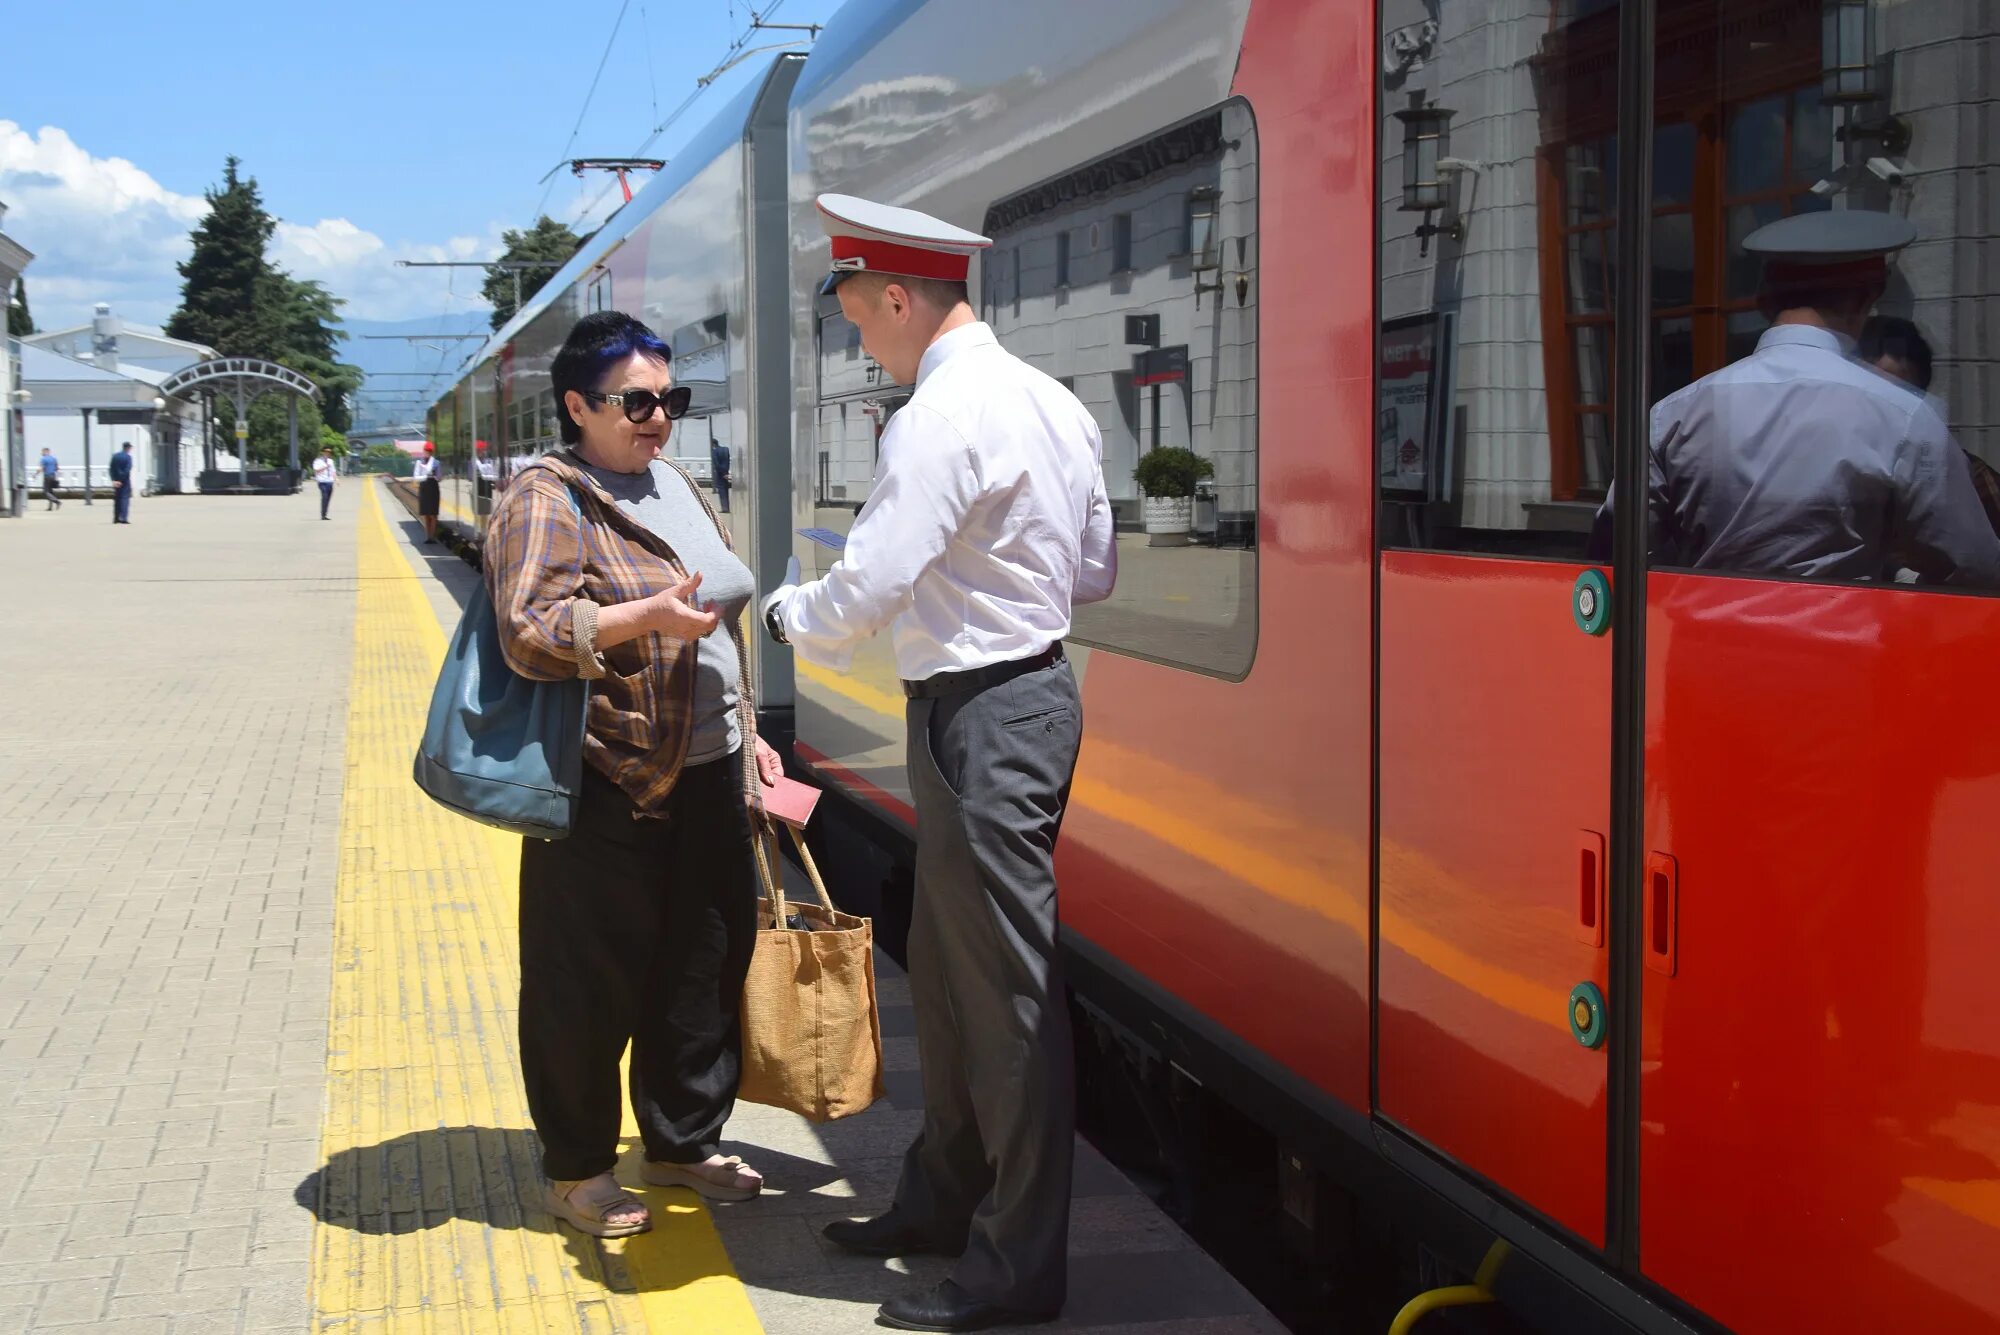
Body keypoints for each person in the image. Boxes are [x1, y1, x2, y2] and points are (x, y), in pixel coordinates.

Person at [760, 194, 1116, 1332]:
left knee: (1004, 995)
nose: (861, 339)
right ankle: (937, 1202)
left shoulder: (937, 415)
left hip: (979, 714)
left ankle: (1017, 1274)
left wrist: (781, 617)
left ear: (903, 300)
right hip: (1025, 698)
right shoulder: (1052, 402)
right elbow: (1094, 570)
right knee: (957, 978)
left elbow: (865, 588)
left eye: (862, 319)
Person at [485, 310, 785, 1239]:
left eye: (671, 400)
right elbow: (529, 629)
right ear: (577, 404)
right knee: (587, 979)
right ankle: (577, 1168)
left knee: (701, 964)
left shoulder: (676, 483)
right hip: (608, 774)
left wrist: (748, 723)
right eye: (637, 402)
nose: (658, 417)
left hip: (711, 763)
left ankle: (679, 1141)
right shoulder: (549, 492)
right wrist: (642, 618)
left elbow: (718, 610)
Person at [1590, 210, 2000, 587]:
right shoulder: (1902, 414)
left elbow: (1619, 549)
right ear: (1866, 299)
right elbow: (1973, 566)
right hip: (1836, 654)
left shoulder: (1673, 413)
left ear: (1764, 301)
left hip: (1702, 649)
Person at [1857, 314, 2000, 538]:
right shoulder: (1829, 471)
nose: (1884, 410)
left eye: (1900, 398)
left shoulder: (1968, 478)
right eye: (1870, 393)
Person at [412, 442, 442, 543]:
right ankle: (427, 536)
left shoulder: (436, 463)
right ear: (423, 451)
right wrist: (426, 476)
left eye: (429, 451)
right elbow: (416, 477)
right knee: (426, 514)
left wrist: (435, 476)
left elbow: (439, 477)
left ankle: (432, 537)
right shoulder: (419, 463)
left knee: (433, 514)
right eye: (426, 451)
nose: (427, 453)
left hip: (433, 488)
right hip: (424, 488)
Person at [109, 440, 134, 525]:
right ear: (127, 448)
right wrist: (121, 479)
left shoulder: (115, 456)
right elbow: (127, 469)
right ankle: (123, 517)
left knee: (117, 500)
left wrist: (114, 480)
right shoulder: (128, 457)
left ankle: (116, 518)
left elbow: (111, 469)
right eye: (130, 448)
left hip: (116, 481)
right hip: (125, 481)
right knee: (124, 499)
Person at [312, 447, 338, 520]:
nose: (328, 453)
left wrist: (336, 479)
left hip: (330, 482)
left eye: (329, 452)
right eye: (326, 452)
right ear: (323, 452)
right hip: (322, 482)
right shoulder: (318, 461)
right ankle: (323, 515)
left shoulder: (331, 461)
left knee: (328, 499)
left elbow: (333, 471)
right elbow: (316, 470)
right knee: (324, 497)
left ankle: (325, 514)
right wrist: (325, 467)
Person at [710, 436, 731, 514]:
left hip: (719, 474)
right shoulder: (726, 449)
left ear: (713, 444)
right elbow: (728, 461)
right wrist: (726, 473)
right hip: (726, 472)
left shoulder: (714, 452)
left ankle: (724, 508)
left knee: (721, 491)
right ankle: (727, 507)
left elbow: (716, 464)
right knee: (726, 490)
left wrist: (722, 473)